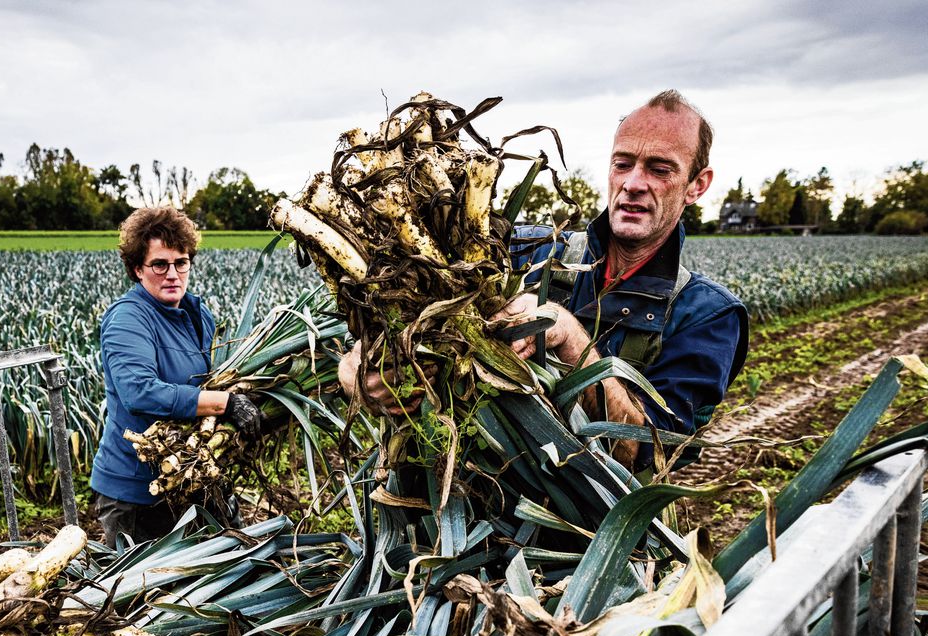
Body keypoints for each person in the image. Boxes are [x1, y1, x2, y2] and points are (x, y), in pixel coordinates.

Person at [338, 89, 748, 472]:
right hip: (450, 517)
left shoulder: (708, 315)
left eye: (659, 169)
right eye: (623, 164)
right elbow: (404, 306)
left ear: (697, 185)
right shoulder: (528, 249)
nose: (633, 183)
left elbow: (650, 452)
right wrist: (358, 367)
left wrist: (570, 338)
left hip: (584, 541)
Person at [90, 207, 263, 547]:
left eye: (181, 262)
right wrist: (224, 404)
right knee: (150, 596)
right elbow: (140, 393)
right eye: (160, 264)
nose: (173, 274)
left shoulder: (197, 315)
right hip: (139, 492)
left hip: (195, 474)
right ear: (138, 269)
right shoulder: (128, 319)